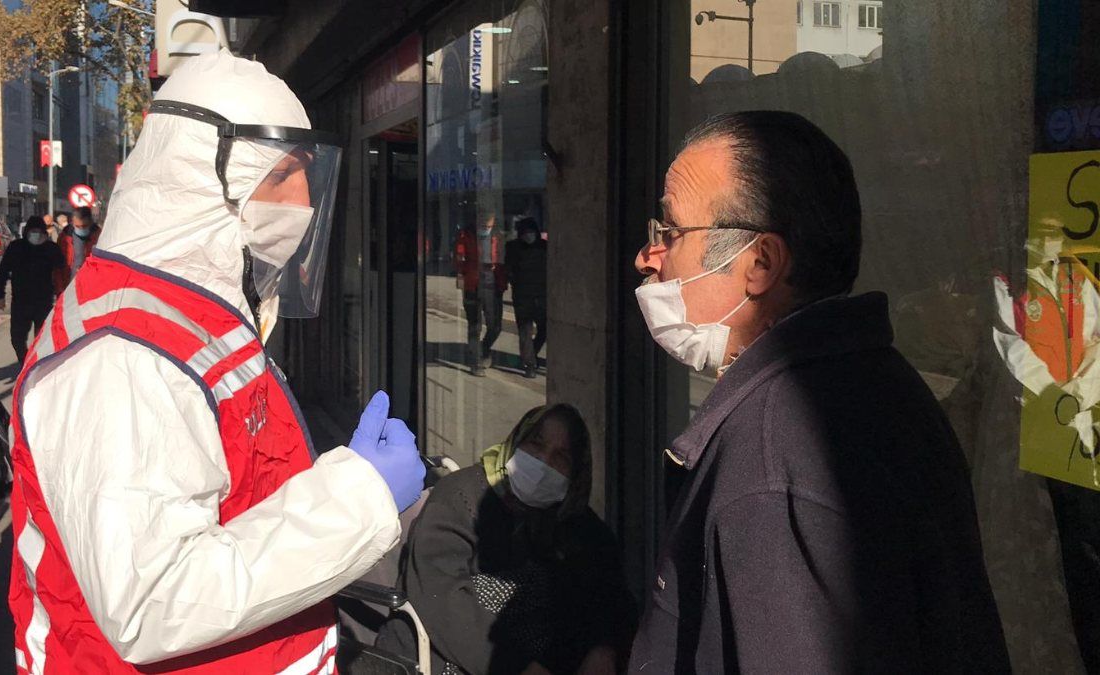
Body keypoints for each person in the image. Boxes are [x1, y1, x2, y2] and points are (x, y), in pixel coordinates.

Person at [7, 51, 425, 673]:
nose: (305, 200)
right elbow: (152, 601)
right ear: (209, 174)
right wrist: (357, 499)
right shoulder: (122, 358)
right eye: (287, 174)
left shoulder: (192, 312)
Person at [628, 111, 1010, 672]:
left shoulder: (775, 464)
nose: (647, 256)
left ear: (759, 263)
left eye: (670, 231)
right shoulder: (869, 379)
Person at [379, 404, 635, 675]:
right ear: (516, 442)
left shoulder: (576, 521)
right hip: (446, 657)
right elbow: (441, 593)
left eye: (561, 457)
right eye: (536, 444)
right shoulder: (461, 496)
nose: (544, 461)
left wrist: (604, 647)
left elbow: (612, 594)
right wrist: (518, 667)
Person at [0, 217, 65, 365]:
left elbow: (62, 269)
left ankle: (38, 364)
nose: (36, 234)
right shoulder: (16, 247)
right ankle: (25, 362)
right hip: (20, 302)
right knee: (17, 339)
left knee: (42, 338)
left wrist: (61, 294)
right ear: (27, 232)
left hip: (44, 302)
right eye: (33, 231)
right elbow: (3, 271)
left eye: (39, 231)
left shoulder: (51, 249)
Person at [455, 209, 506, 376]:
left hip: (493, 285)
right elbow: (459, 258)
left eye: (488, 221)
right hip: (473, 284)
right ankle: (476, 362)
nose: (485, 224)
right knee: (474, 325)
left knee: (495, 326)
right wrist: (464, 273)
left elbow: (503, 259)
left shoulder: (498, 236)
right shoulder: (466, 235)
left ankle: (484, 348)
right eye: (482, 221)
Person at [505, 217, 547, 378]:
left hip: (541, 296)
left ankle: (532, 354)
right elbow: (508, 269)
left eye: (531, 231)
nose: (529, 235)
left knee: (545, 329)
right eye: (525, 232)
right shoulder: (513, 247)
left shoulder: (544, 246)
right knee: (525, 331)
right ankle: (529, 364)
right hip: (523, 297)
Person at [52, 206, 99, 294]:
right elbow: (58, 266)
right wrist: (60, 290)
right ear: (72, 222)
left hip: (90, 288)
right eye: (77, 226)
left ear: (90, 222)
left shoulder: (99, 237)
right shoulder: (64, 237)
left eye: (84, 226)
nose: (81, 229)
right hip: (68, 286)